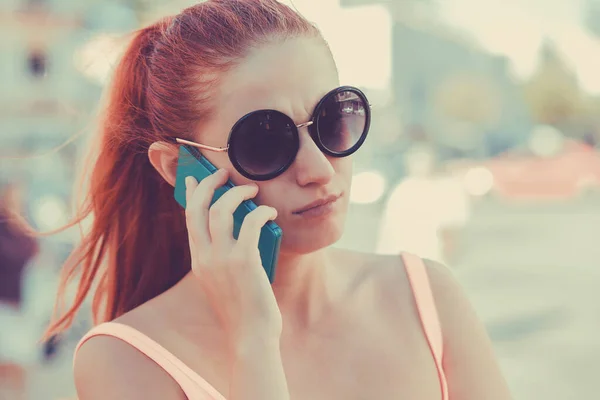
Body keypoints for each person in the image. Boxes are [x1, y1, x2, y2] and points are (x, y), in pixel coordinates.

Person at [45, 1, 512, 399]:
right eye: (266, 141)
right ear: (179, 169)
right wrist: (253, 343)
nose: (319, 170)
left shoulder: (427, 295)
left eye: (332, 120)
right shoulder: (125, 360)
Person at [0, 183, 39, 400]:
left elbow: (35, 254)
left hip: (21, 307)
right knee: (9, 364)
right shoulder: (4, 230)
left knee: (21, 365)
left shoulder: (23, 228)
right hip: (3, 306)